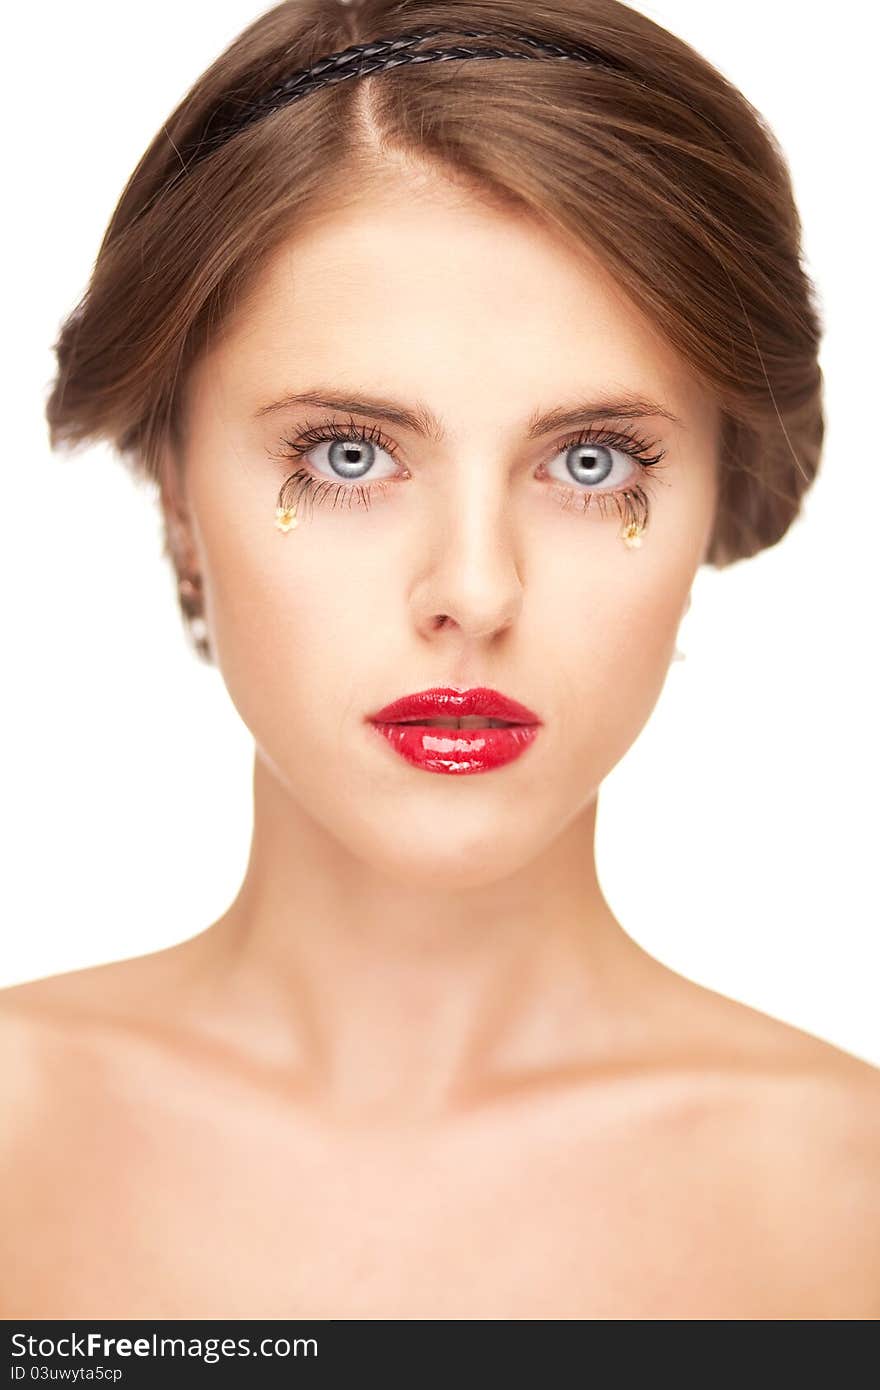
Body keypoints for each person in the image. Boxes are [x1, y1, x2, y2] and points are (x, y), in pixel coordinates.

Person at [2, 0, 878, 1319]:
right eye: (347, 455)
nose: (473, 589)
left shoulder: (848, 1204)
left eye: (593, 464)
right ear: (177, 487)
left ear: (716, 490)